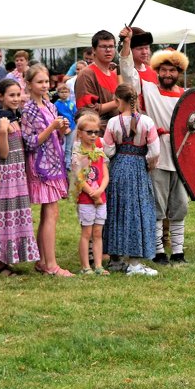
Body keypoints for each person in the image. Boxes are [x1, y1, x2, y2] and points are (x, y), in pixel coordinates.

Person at [120, 30, 190, 264]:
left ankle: (178, 251)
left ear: (179, 73)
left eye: (172, 70)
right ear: (157, 71)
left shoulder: (186, 96)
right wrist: (127, 44)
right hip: (157, 152)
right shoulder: (148, 90)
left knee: (179, 205)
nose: (168, 74)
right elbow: (128, 72)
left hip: (181, 155)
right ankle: (158, 251)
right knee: (158, 205)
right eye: (164, 70)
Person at [102, 82, 160, 275]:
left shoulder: (112, 123)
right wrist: (147, 166)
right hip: (138, 168)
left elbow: (108, 150)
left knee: (116, 210)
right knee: (137, 211)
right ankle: (134, 263)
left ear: (118, 101)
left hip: (118, 168)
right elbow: (154, 152)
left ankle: (115, 259)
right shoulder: (147, 122)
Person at [21, 63, 71, 276]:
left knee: (50, 212)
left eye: (46, 82)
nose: (44, 85)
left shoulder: (50, 106)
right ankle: (50, 264)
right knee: (50, 211)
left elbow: (55, 137)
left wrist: (62, 130)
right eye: (39, 82)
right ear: (29, 84)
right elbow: (30, 142)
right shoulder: (28, 109)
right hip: (40, 164)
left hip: (53, 161)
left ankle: (44, 261)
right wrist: (52, 128)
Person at [0, 78, 39, 274]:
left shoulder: (15, 117)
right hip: (6, 171)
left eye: (18, 94)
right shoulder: (2, 119)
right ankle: (0, 261)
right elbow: (2, 153)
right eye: (11, 95)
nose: (16, 98)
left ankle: (7, 258)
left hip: (17, 173)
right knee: (6, 214)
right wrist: (2, 133)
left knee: (15, 212)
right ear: (1, 97)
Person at [70, 112, 110, 275]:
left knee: (98, 232)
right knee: (87, 232)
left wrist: (100, 191)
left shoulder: (99, 152)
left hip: (101, 197)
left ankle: (99, 265)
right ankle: (86, 266)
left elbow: (105, 174)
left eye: (96, 132)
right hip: (86, 199)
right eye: (89, 132)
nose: (93, 136)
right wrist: (92, 193)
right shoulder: (78, 154)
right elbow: (79, 177)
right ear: (80, 133)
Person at [74, 30, 120, 128]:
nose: (108, 50)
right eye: (103, 46)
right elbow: (86, 111)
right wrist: (117, 102)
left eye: (111, 46)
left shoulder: (114, 75)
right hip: (97, 135)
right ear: (94, 50)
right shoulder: (87, 74)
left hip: (116, 133)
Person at [53, 82, 77, 167]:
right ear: (58, 93)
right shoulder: (56, 104)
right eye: (62, 92)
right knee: (61, 146)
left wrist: (71, 127)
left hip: (71, 128)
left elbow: (75, 116)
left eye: (66, 92)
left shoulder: (71, 104)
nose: (64, 94)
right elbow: (54, 117)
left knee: (69, 147)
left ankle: (68, 165)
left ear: (69, 93)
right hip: (61, 128)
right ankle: (61, 164)